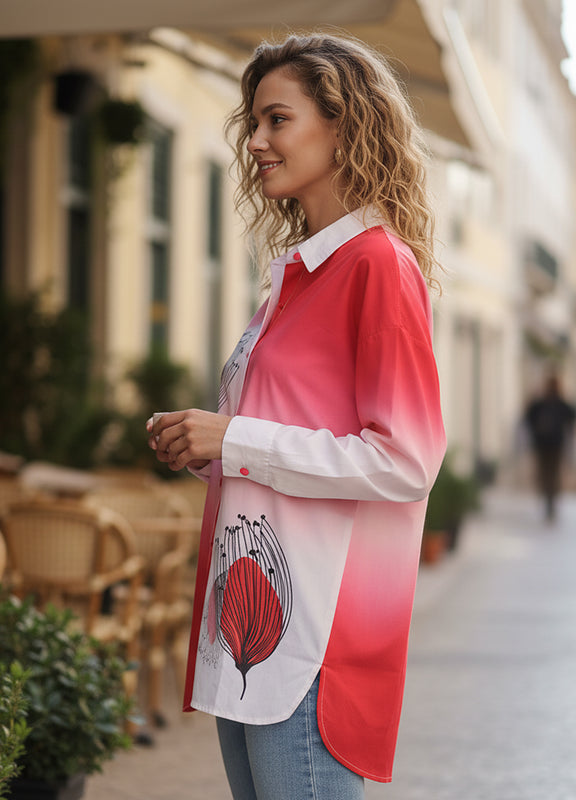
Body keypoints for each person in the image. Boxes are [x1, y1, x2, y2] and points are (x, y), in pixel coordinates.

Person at [147, 32, 446, 799]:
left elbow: (406, 461)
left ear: (344, 127)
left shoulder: (377, 265)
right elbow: (289, 433)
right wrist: (207, 445)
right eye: (253, 122)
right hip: (252, 620)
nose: (255, 141)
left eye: (277, 119)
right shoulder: (302, 272)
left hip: (316, 633)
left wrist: (236, 438)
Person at [524, 374, 575, 521]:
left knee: (551, 474)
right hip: (544, 444)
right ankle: (548, 501)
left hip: (554, 445)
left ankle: (550, 502)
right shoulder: (542, 404)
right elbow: (529, 417)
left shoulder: (557, 403)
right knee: (546, 474)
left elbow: (570, 417)